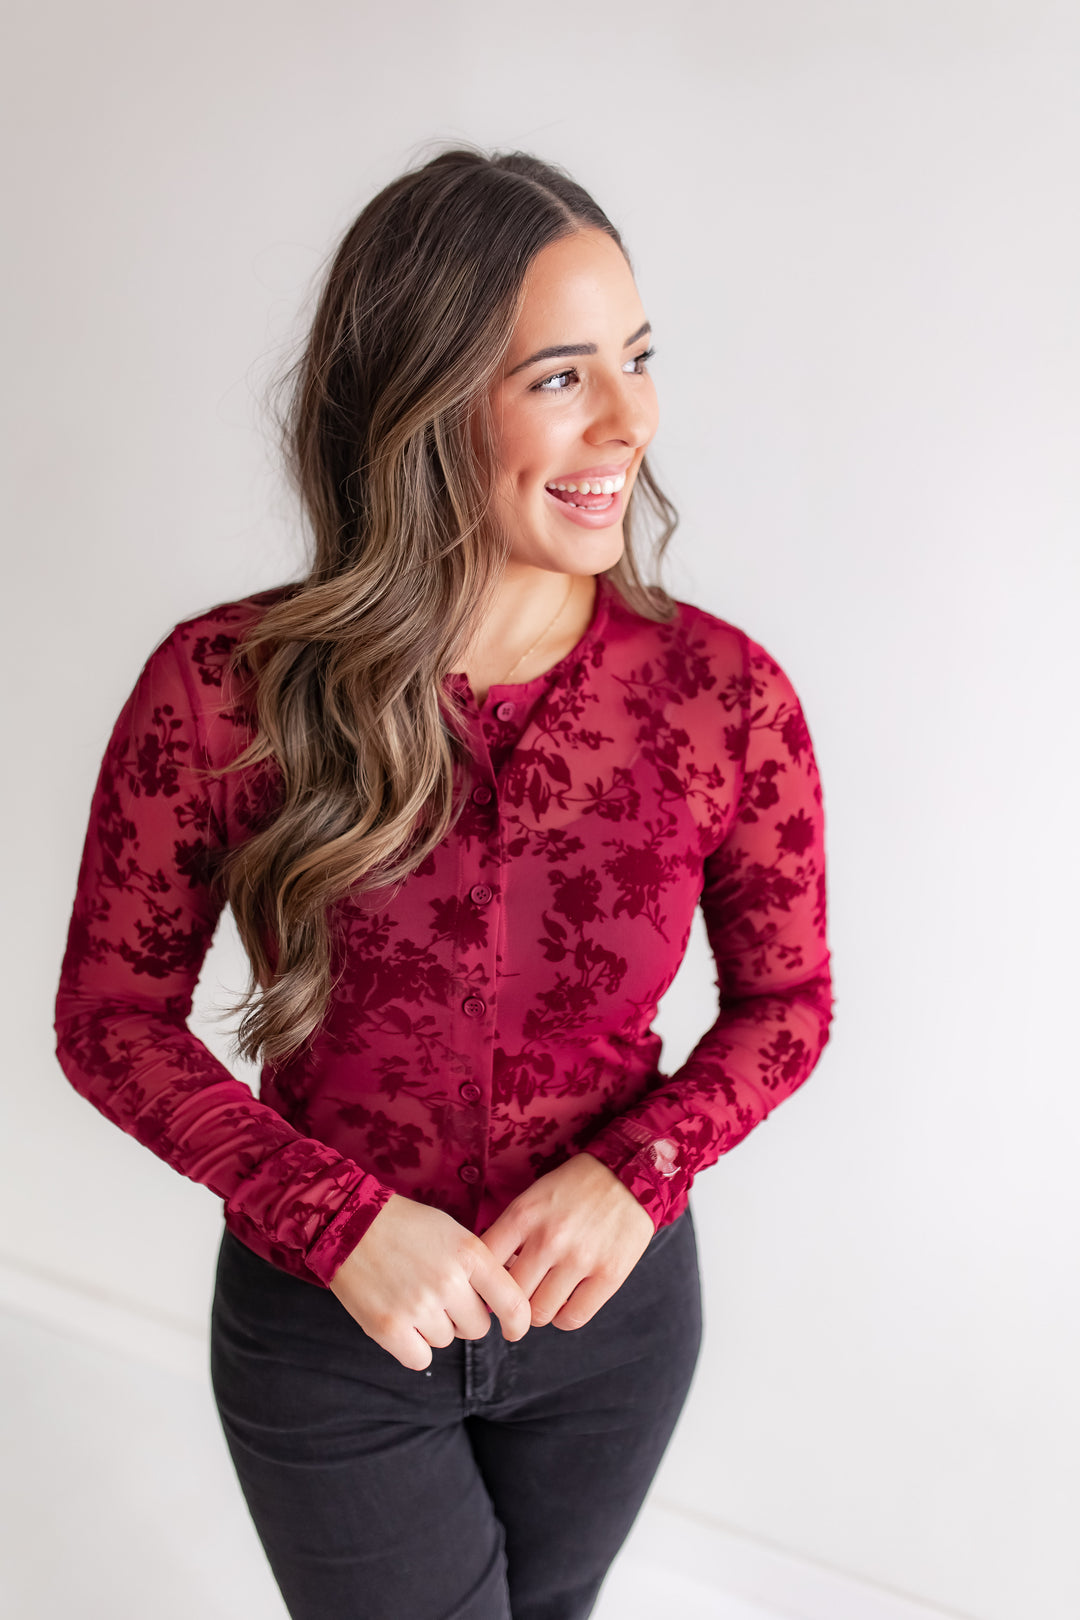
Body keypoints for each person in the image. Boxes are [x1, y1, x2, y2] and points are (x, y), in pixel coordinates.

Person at [54, 147, 834, 1620]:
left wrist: (638, 1173)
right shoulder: (224, 689)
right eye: (559, 376)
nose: (630, 419)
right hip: (329, 1337)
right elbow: (111, 1016)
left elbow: (788, 1000)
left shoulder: (725, 696)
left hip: (616, 1331)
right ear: (418, 401)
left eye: (639, 358)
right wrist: (334, 1219)